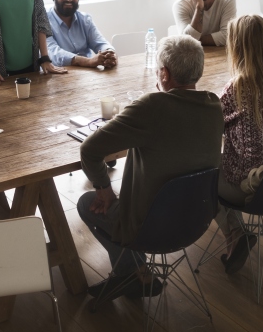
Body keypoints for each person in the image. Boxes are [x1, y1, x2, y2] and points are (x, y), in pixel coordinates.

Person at [77, 35, 223, 300]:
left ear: (164, 74)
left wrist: (104, 190)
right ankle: (136, 272)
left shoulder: (153, 106)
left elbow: (89, 150)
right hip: (196, 220)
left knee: (87, 203)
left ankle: (134, 273)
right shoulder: (214, 104)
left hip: (150, 227)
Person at [215, 15, 263, 274]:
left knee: (199, 172)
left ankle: (235, 234)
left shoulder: (236, 88)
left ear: (237, 47)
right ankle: (238, 235)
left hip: (248, 185)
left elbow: (211, 128)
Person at [46, 0, 117, 69]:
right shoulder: (44, 21)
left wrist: (109, 54)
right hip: (57, 77)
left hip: (86, 76)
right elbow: (53, 53)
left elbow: (100, 43)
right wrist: (88, 61)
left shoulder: (85, 20)